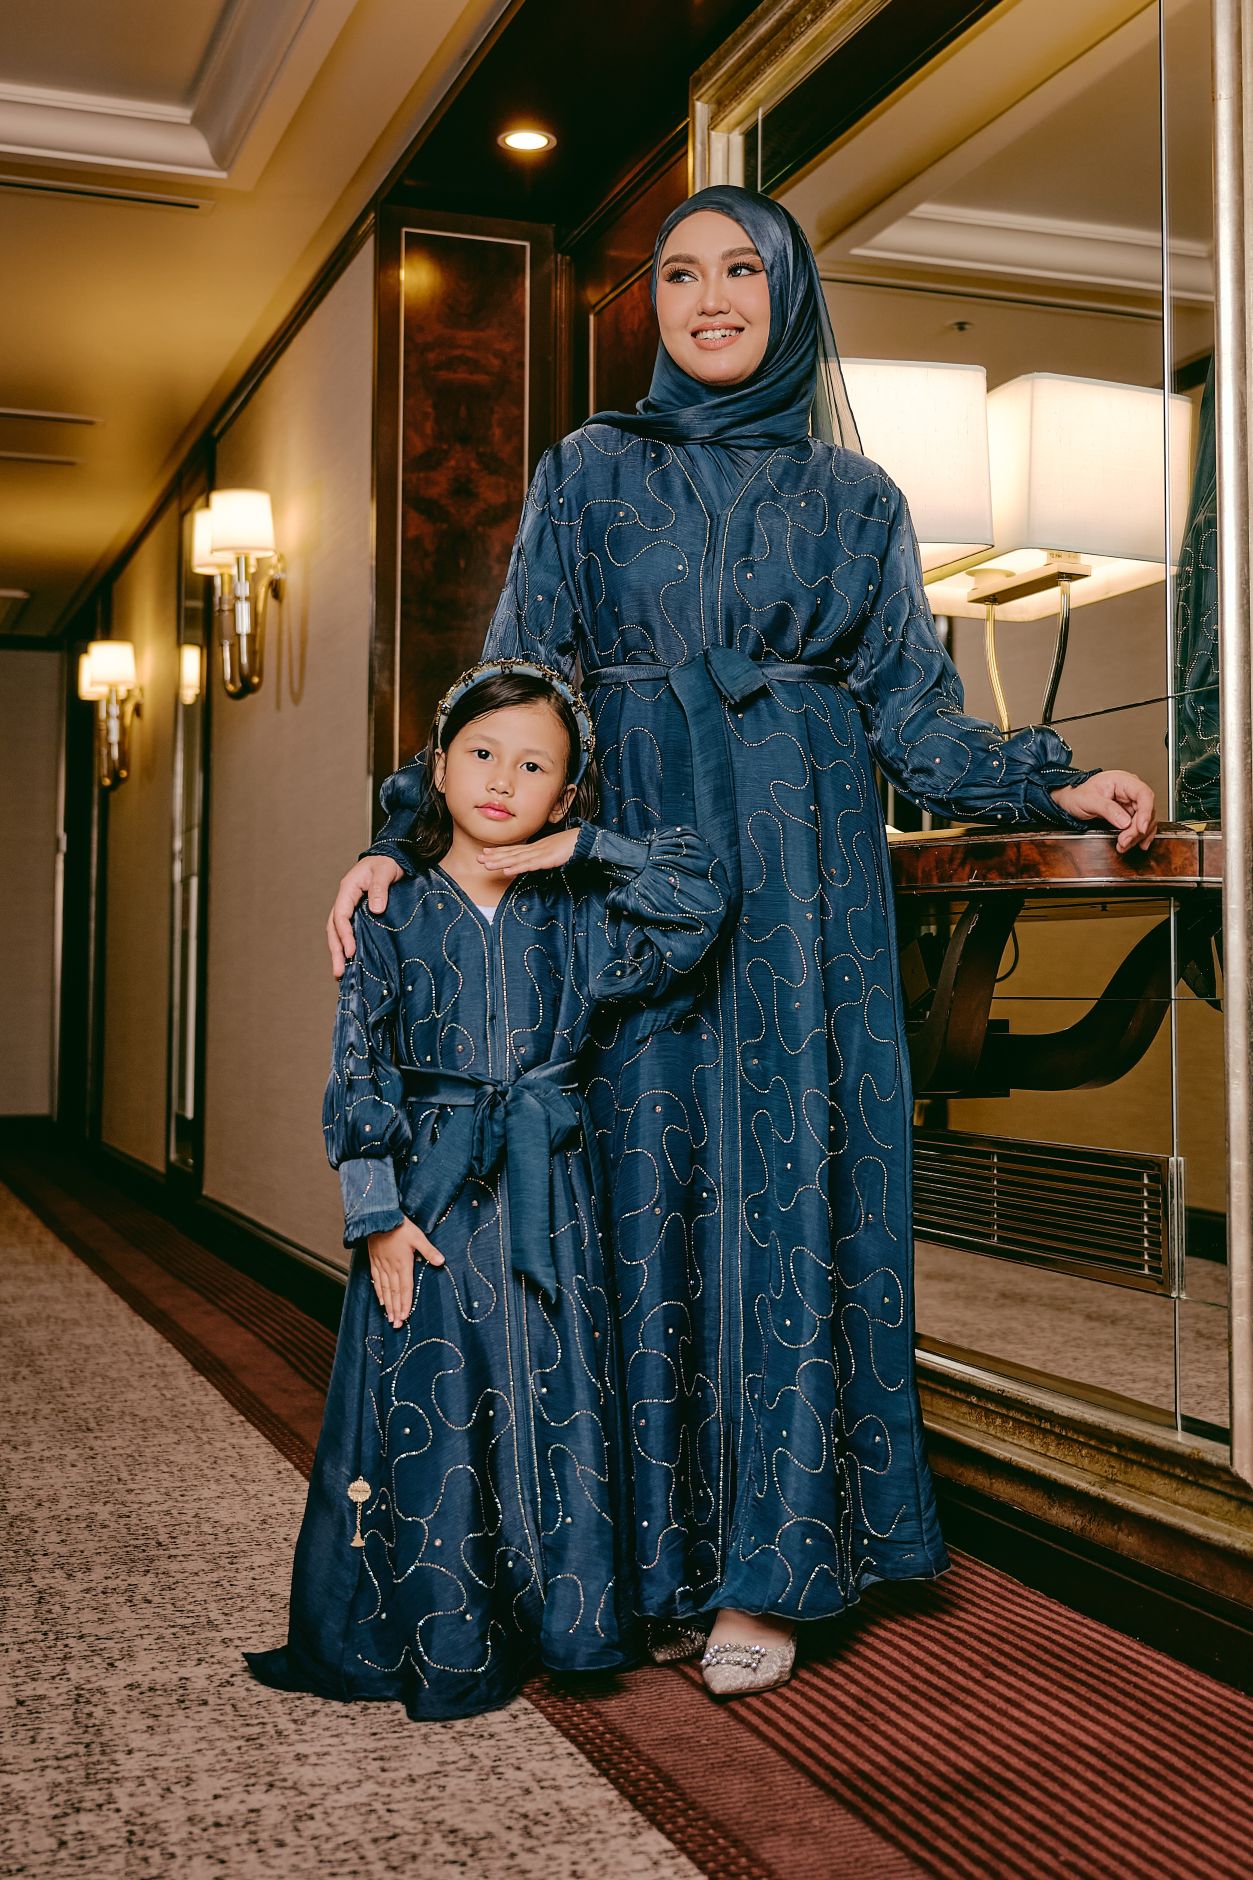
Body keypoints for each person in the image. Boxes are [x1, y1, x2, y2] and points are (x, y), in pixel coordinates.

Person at [328, 185, 1157, 1699]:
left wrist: (1048, 778)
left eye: (742, 271)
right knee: (637, 1192)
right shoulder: (588, 469)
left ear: (790, 297)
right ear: (650, 302)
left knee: (787, 1193)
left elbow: (911, 713)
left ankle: (770, 1566)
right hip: (635, 872)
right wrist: (402, 834)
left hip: (804, 876)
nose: (709, 298)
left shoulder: (860, 498)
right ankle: (646, 1560)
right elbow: (513, 684)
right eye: (679, 272)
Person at [250, 661, 729, 1721]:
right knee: (433, 1395)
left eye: (534, 767)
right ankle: (442, 1630)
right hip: (429, 1184)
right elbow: (358, 1065)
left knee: (553, 1388)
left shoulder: (582, 911)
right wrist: (376, 1214)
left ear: (563, 797)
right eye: (480, 753)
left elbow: (701, 901)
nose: (502, 780)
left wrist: (585, 849)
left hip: (549, 1183)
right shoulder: (387, 903)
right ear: (436, 767)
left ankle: (561, 1619)